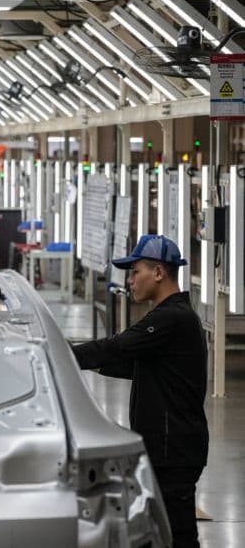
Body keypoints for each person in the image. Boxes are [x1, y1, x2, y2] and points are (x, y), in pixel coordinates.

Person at [71, 234, 208, 548]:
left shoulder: (171, 318)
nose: (130, 281)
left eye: (135, 272)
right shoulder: (174, 318)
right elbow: (131, 365)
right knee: (155, 533)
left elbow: (117, 347)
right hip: (170, 447)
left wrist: (60, 354)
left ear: (158, 272)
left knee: (179, 536)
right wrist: (89, 364)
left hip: (173, 451)